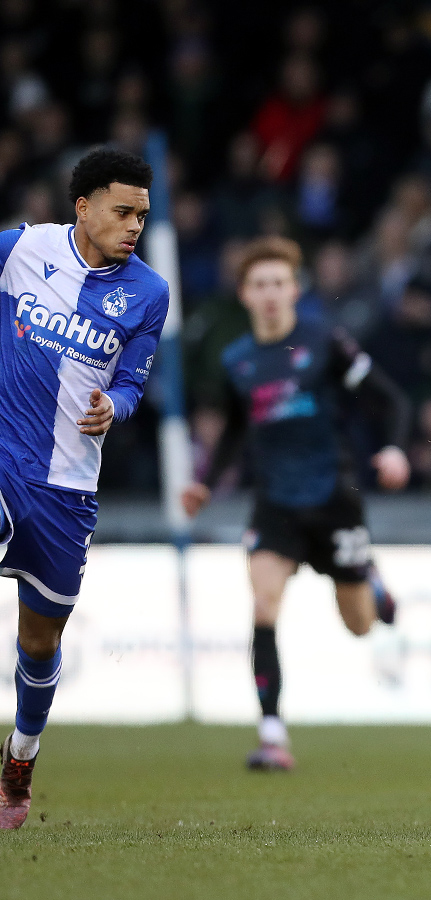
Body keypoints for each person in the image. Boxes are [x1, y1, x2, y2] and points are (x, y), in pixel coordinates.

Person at [181, 236, 411, 771]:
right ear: (243, 294)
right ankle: (271, 733)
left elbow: (391, 399)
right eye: (259, 285)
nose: (269, 294)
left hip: (334, 500)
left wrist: (396, 450)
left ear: (294, 289)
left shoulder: (325, 341)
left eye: (278, 284)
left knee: (359, 626)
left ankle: (368, 577)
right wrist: (207, 482)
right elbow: (237, 428)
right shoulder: (237, 359)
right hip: (275, 504)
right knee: (263, 607)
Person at [0, 148, 171, 828]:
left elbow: (132, 379)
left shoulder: (149, 293)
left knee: (40, 643)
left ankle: (20, 759)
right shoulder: (23, 248)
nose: (134, 225)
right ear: (83, 206)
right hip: (5, 464)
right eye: (122, 211)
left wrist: (117, 407)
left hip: (67, 492)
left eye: (143, 216)